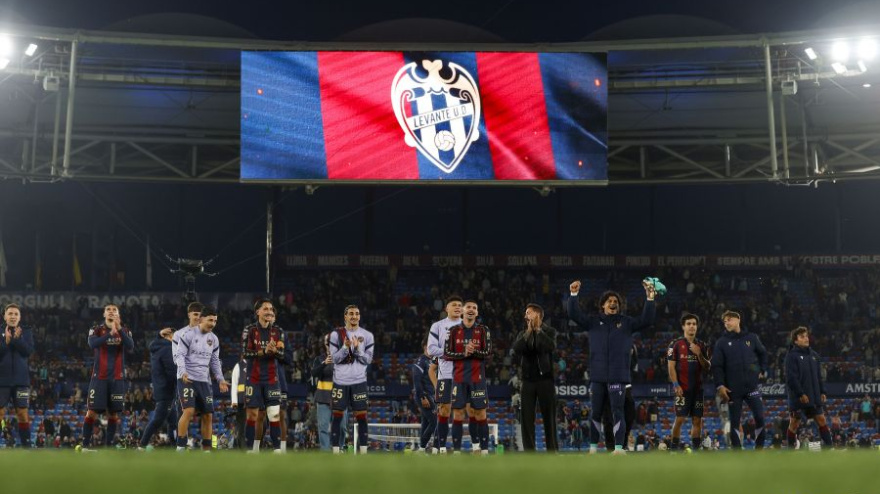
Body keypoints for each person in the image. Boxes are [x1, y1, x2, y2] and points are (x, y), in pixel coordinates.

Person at [566, 281, 656, 455]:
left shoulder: (626, 323)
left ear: (619, 306)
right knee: (596, 413)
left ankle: (618, 448)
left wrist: (650, 298)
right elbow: (574, 314)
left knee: (618, 412)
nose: (613, 303)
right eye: (609, 301)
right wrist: (573, 295)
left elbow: (647, 320)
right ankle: (592, 449)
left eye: (616, 301)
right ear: (603, 305)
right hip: (598, 376)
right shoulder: (593, 322)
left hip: (618, 375)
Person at [173, 306, 229, 452]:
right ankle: (180, 447)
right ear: (201, 319)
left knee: (208, 414)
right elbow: (179, 355)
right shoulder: (188, 335)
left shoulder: (214, 339)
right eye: (210, 320)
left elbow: (215, 361)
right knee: (189, 411)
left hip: (204, 382)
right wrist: (183, 371)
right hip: (187, 379)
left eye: (215, 321)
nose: (213, 323)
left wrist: (221, 379)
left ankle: (206, 449)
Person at [711, 310, 768, 450]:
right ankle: (737, 452)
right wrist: (720, 385)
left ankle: (759, 449)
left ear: (738, 320)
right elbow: (716, 366)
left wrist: (762, 369)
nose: (726, 323)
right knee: (735, 422)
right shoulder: (721, 343)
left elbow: (763, 353)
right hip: (732, 389)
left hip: (751, 387)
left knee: (760, 417)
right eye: (724, 321)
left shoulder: (752, 338)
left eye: (729, 320)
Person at [80, 304, 134, 451]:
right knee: (92, 411)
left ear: (118, 314)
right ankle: (85, 446)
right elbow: (92, 343)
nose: (111, 312)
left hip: (117, 378)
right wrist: (110, 334)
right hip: (99, 378)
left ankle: (108, 447)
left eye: (114, 310)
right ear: (104, 314)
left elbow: (130, 346)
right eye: (108, 310)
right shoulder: (96, 329)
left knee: (113, 413)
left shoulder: (125, 330)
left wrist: (119, 330)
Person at [445, 300, 492, 455]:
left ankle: (483, 451)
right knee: (458, 414)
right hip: (459, 379)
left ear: (477, 313)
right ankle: (457, 453)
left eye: (474, 308)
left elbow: (489, 353)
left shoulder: (483, 330)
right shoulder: (453, 330)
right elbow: (447, 354)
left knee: (480, 413)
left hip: (477, 379)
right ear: (463, 311)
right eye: (469, 307)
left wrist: (474, 352)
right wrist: (464, 353)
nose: (471, 310)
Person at [329, 305, 375, 454]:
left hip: (359, 382)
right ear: (345, 317)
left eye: (357, 313)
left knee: (362, 418)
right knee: (337, 418)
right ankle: (336, 452)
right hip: (340, 382)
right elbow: (334, 359)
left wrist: (357, 349)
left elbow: (367, 360)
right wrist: (344, 348)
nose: (354, 316)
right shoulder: (336, 335)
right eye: (351, 314)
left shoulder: (368, 336)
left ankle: (363, 452)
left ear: (360, 317)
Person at [512, 303, 558, 452]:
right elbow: (516, 349)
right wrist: (528, 332)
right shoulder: (522, 334)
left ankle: (552, 451)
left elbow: (550, 346)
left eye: (529, 313)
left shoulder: (549, 331)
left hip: (545, 380)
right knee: (526, 419)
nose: (526, 316)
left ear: (538, 315)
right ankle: (530, 452)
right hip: (527, 381)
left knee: (549, 418)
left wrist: (538, 330)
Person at [242, 299, 285, 453]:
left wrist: (274, 351)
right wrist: (264, 351)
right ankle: (251, 450)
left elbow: (282, 356)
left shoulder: (278, 331)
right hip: (254, 379)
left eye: (271, 309)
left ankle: (278, 450)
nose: (269, 311)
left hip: (272, 379)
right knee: (253, 415)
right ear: (258, 312)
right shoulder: (250, 330)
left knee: (274, 414)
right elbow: (245, 353)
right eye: (265, 308)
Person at [667, 313, 711, 451]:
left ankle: (696, 450)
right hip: (682, 390)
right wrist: (675, 385)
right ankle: (673, 450)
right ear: (683, 326)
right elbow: (671, 367)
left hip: (698, 390)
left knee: (697, 420)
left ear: (697, 327)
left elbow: (707, 367)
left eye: (694, 324)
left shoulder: (702, 345)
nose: (692, 326)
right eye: (689, 324)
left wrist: (699, 354)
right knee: (679, 419)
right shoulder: (675, 344)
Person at [426, 296, 463, 453]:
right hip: (445, 376)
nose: (457, 307)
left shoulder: (469, 327)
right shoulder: (438, 326)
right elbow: (431, 349)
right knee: (444, 411)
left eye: (459, 305)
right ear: (446, 308)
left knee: (459, 412)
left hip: (463, 376)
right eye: (453, 305)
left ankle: (456, 451)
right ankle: (439, 448)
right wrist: (450, 352)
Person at [785, 326, 832, 449]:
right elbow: (791, 379)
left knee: (821, 420)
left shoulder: (814, 355)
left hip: (814, 396)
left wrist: (823, 391)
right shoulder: (791, 356)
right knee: (794, 424)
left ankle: (829, 448)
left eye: (806, 336)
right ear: (795, 340)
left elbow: (819, 376)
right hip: (798, 398)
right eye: (802, 337)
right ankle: (790, 450)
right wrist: (800, 394)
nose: (806, 338)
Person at [0, 304, 34, 448]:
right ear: (5, 316)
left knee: (22, 413)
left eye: (15, 314)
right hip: (2, 380)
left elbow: (28, 351)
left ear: (19, 317)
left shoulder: (26, 332)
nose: (13, 316)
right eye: (10, 313)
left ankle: (26, 446)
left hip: (21, 380)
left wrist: (16, 339)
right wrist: (6, 343)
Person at [139, 327, 177, 450]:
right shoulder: (167, 349)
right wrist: (181, 381)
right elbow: (171, 371)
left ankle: (175, 446)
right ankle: (142, 446)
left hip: (163, 389)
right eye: (174, 336)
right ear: (169, 336)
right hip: (167, 390)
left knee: (173, 422)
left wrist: (158, 335)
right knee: (157, 421)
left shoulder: (157, 348)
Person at [311, 333, 347, 451]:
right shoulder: (319, 359)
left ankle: (340, 448)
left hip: (340, 397)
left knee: (342, 427)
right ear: (325, 345)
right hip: (323, 397)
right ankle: (325, 451)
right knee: (323, 427)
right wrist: (324, 364)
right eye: (327, 344)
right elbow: (313, 373)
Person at [602, 342, 637, 451]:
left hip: (625, 384)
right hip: (607, 384)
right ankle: (610, 446)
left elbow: (632, 365)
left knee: (630, 413)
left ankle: (623, 443)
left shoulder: (629, 344)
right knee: (608, 416)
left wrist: (631, 354)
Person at [411, 336, 438, 453]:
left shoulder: (432, 361)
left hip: (431, 395)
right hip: (424, 395)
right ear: (425, 347)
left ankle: (421, 449)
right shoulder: (420, 361)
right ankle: (428, 448)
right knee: (435, 422)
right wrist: (422, 397)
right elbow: (416, 381)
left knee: (426, 422)